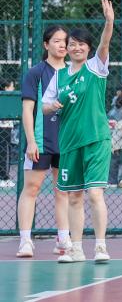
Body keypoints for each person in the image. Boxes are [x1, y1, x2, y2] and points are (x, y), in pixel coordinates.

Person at [42, 0, 116, 264]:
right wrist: (52, 106)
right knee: (73, 196)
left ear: (88, 48)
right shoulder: (58, 76)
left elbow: (105, 43)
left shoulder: (96, 67)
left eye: (81, 44)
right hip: (69, 143)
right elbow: (44, 107)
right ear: (67, 48)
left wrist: (109, 21)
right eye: (72, 44)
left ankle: (100, 246)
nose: (76, 47)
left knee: (94, 193)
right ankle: (76, 248)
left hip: (96, 139)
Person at [16, 26, 71, 258]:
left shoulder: (74, 73)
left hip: (66, 141)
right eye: (56, 40)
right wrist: (31, 141)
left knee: (63, 191)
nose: (62, 45)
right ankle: (25, 241)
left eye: (65, 41)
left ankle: (63, 238)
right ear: (46, 45)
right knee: (32, 189)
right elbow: (27, 110)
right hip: (40, 140)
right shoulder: (35, 73)